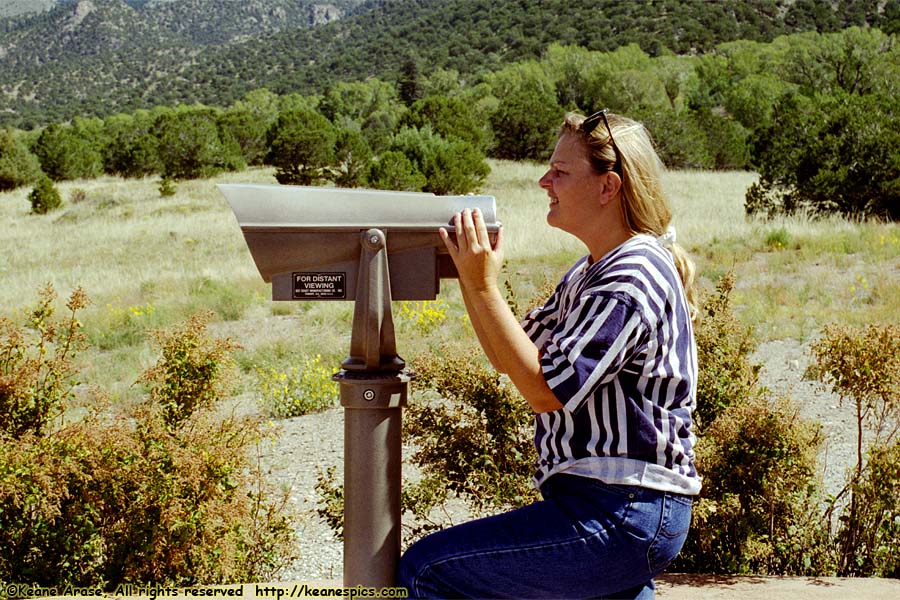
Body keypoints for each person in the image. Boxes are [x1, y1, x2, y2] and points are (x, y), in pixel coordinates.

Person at [396, 109, 701, 599]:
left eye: (560, 171)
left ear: (609, 187)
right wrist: (476, 285)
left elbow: (543, 388)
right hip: (611, 504)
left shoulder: (630, 277)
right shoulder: (592, 270)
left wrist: (483, 284)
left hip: (623, 508)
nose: (544, 181)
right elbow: (510, 355)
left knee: (428, 570)